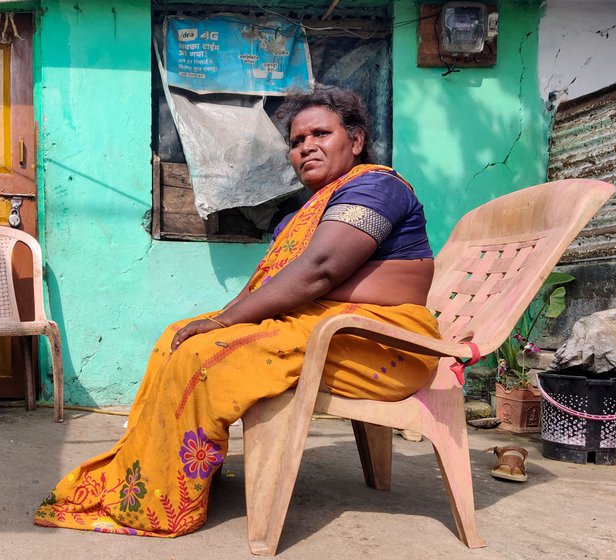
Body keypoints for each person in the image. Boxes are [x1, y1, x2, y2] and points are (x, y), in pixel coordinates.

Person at [34, 86, 440, 537]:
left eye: (320, 133)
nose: (305, 146)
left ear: (356, 140)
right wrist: (225, 318)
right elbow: (294, 283)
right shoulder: (301, 213)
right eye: (296, 140)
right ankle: (165, 473)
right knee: (180, 334)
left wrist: (227, 319)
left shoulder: (376, 186)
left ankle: (167, 503)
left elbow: (320, 271)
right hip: (328, 329)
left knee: (202, 355)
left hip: (379, 342)